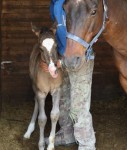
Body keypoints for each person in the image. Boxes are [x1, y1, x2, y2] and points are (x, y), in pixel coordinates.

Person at [49, 0, 96, 149]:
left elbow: (92, 24)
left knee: (79, 104)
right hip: (62, 55)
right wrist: (53, 59)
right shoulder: (54, 3)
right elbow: (57, 29)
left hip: (80, 57)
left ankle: (86, 144)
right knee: (63, 98)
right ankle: (67, 133)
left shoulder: (80, 2)